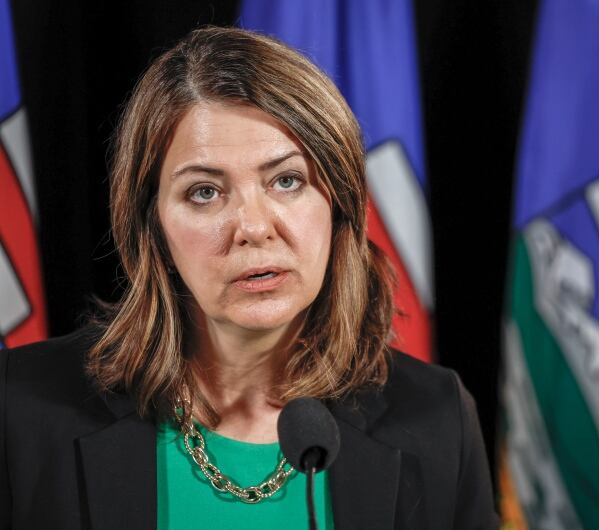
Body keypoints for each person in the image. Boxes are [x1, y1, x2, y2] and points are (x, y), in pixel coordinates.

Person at [0, 26, 499, 530]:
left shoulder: (437, 418)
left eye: (287, 180)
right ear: (153, 228)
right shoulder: (18, 408)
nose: (254, 228)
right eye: (204, 192)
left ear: (338, 205)